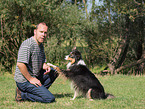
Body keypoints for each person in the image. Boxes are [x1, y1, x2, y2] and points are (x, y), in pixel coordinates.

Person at [14, 22, 59, 103]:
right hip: (24, 80)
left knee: (54, 72)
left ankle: (37, 92)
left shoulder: (40, 45)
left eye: (45, 33)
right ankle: (22, 94)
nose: (43, 35)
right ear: (35, 32)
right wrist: (31, 79)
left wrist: (44, 65)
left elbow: (42, 60)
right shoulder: (28, 45)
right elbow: (20, 64)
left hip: (35, 75)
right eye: (41, 32)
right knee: (50, 99)